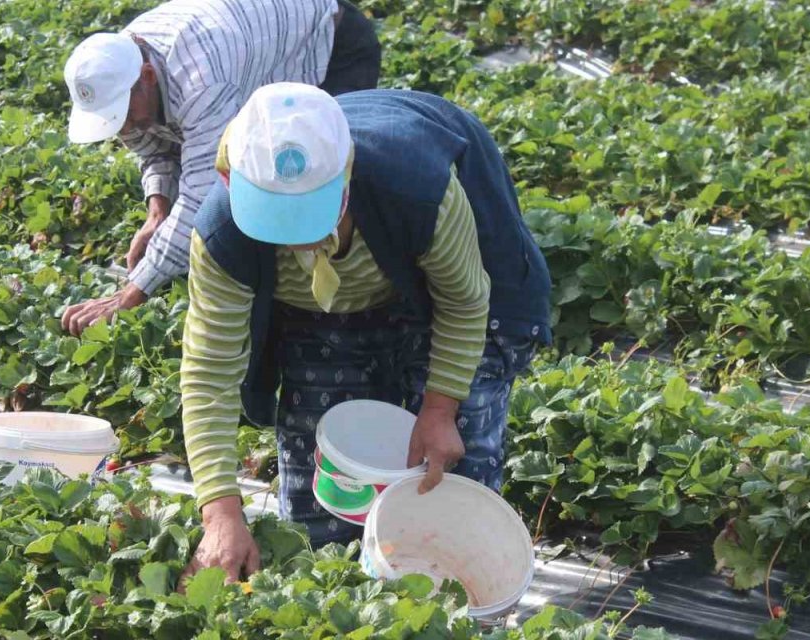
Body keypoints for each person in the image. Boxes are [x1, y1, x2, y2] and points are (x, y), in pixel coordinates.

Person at [178, 83, 553, 581]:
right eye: (275, 219)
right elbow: (209, 372)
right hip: (319, 305)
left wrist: (440, 409)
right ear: (230, 179)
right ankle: (338, 591)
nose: (296, 237)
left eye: (309, 214)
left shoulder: (419, 191)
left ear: (346, 175)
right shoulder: (222, 235)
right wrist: (221, 511)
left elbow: (464, 301)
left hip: (448, 291)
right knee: (326, 474)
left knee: (449, 458)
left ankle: (455, 591)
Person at [58, 0, 382, 336]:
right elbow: (153, 145)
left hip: (330, 42)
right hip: (255, 41)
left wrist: (132, 292)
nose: (125, 129)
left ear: (148, 76)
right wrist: (158, 213)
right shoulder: (118, 64)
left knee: (321, 175)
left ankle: (351, 293)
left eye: (124, 115)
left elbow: (202, 195)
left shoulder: (203, 82)